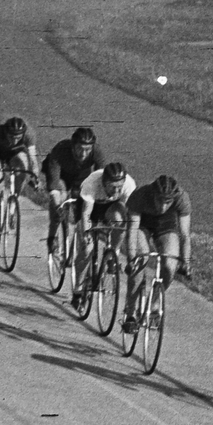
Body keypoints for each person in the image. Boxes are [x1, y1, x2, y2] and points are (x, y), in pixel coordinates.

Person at [121, 175, 192, 335]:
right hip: (142, 225)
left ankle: (154, 302)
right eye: (160, 200)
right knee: (141, 260)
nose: (163, 205)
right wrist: (132, 259)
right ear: (153, 195)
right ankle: (130, 313)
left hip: (166, 225)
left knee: (169, 264)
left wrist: (186, 262)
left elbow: (185, 235)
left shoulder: (182, 198)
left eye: (168, 202)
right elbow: (132, 231)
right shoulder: (140, 195)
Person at [72, 161, 136, 307]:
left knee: (122, 222)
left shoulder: (129, 186)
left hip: (111, 207)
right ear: (104, 182)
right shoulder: (92, 183)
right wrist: (86, 233)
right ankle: (78, 290)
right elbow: (86, 214)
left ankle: (113, 253)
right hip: (90, 209)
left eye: (120, 187)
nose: (117, 191)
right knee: (86, 250)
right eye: (113, 187)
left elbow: (131, 215)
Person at [41, 126, 106, 262]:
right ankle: (52, 237)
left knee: (84, 207)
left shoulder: (96, 151)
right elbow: (53, 184)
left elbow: (100, 178)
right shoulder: (60, 150)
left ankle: (79, 246)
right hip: (61, 177)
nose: (83, 154)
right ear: (72, 146)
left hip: (81, 177)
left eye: (87, 150)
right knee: (60, 198)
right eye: (79, 149)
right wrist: (57, 204)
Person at [0, 117, 38, 250]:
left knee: (22, 171)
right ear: (5, 132)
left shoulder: (29, 134)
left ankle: (13, 204)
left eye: (18, 137)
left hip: (15, 153)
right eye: (11, 136)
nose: (14, 140)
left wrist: (34, 176)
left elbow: (33, 159)